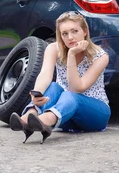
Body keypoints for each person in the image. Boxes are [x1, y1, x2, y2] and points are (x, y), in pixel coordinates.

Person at [9, 11, 111, 144]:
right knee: (53, 86)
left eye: (75, 31)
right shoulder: (53, 49)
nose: (70, 37)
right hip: (65, 114)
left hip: (95, 115)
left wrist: (71, 56)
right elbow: (45, 74)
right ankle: (30, 115)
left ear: (85, 31)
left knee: (71, 95)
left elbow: (76, 88)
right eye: (65, 33)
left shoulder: (100, 56)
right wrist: (37, 95)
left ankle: (46, 120)